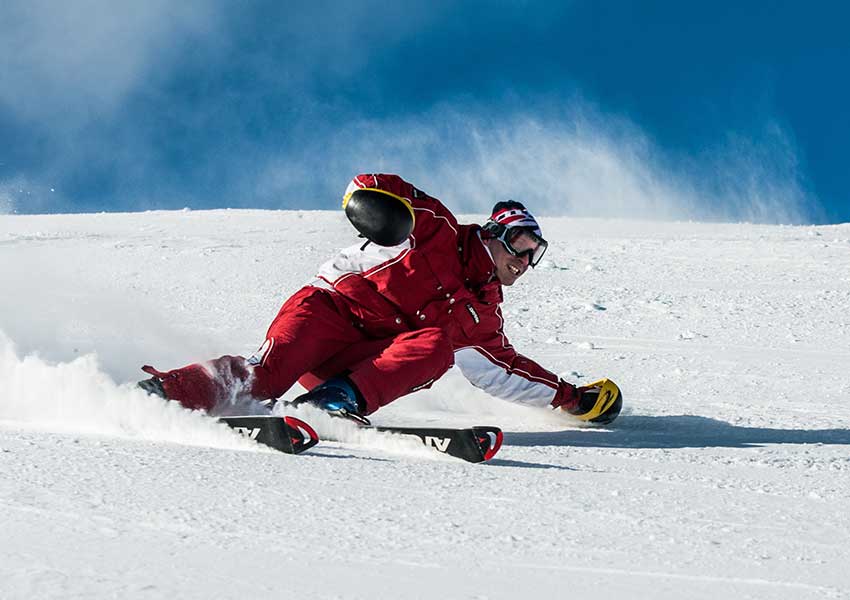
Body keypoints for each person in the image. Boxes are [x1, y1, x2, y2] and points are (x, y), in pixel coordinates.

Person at [138, 173, 622, 425]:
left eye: (534, 255)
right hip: (327, 313)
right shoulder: (437, 230)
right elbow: (374, 184)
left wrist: (571, 398)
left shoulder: (482, 315)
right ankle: (169, 393)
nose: (525, 261)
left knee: (435, 347)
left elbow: (504, 372)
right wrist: (376, 211)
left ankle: (332, 404)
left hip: (355, 365)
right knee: (266, 377)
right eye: (521, 246)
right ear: (496, 234)